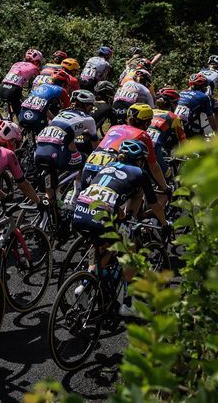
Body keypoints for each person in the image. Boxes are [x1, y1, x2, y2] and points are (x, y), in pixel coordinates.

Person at [72, 139, 158, 313]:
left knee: (102, 245)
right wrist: (164, 224)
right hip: (102, 216)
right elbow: (154, 203)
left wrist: (120, 214)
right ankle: (129, 303)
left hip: (80, 210)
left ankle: (86, 284)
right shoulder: (139, 173)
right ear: (140, 160)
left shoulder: (107, 167)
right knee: (130, 248)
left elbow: (106, 195)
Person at [85, 105, 169, 224]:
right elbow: (153, 166)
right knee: (138, 189)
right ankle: (129, 223)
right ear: (146, 123)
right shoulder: (143, 135)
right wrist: (165, 187)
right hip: (112, 164)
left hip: (92, 160)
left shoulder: (114, 127)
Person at [0, 122, 43, 207]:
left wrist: (4, 196)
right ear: (12, 141)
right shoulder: (9, 154)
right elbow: (23, 185)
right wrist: (39, 202)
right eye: (17, 143)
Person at [0, 49, 44, 121]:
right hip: (14, 89)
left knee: (15, 101)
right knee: (22, 109)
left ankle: (8, 117)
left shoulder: (16, 64)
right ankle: (20, 128)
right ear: (36, 61)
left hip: (2, 88)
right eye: (39, 63)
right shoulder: (34, 68)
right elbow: (39, 82)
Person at [148, 89, 189, 153]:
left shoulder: (151, 111)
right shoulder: (173, 117)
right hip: (156, 149)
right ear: (172, 104)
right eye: (177, 103)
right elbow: (183, 140)